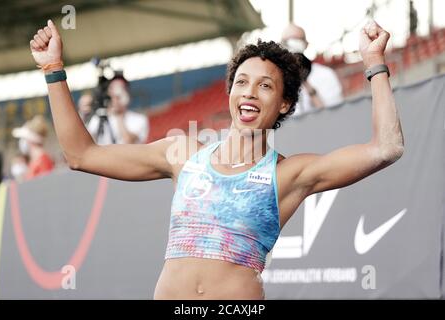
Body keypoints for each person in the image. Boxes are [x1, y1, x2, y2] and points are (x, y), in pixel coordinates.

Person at [30, 19, 404, 299]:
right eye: (241, 81)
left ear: (285, 103)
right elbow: (81, 154)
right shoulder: (183, 154)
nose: (250, 93)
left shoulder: (291, 173)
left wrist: (373, 63)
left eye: (266, 85)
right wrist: (52, 70)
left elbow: (385, 148)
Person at [281, 23, 344, 115]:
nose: (292, 43)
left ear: (306, 44)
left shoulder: (326, 75)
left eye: (297, 39)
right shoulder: (273, 78)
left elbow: (334, 115)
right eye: (287, 41)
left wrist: (306, 83)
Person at [86, 74, 149, 145]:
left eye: (118, 94)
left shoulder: (139, 119)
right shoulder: (99, 117)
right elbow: (89, 144)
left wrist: (119, 116)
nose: (114, 98)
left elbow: (129, 142)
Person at [12, 115, 54, 180]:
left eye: (24, 138)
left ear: (30, 140)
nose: (22, 142)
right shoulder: (35, 161)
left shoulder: (43, 161)